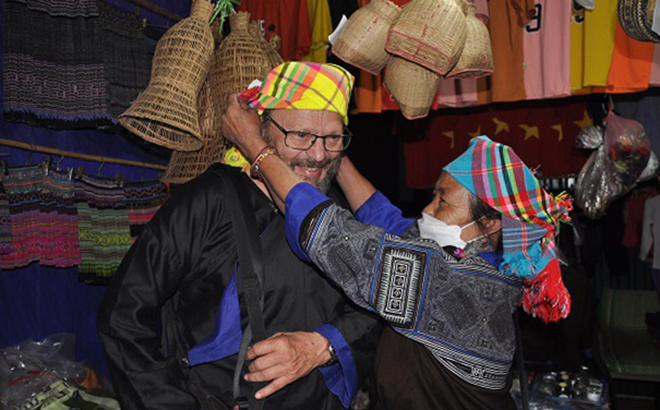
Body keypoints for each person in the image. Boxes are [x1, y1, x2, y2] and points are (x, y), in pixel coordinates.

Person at [221, 95, 574, 409]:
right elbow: (387, 219)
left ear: (492, 224)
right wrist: (328, 151)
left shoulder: (450, 284)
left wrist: (255, 145)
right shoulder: (481, 264)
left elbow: (330, 233)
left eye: (443, 201)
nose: (427, 211)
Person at [96, 62, 383, 410]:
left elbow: (378, 304)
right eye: (301, 136)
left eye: (333, 138)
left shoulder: (336, 213)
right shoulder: (209, 201)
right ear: (263, 129)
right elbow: (123, 315)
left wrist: (323, 345)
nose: (319, 155)